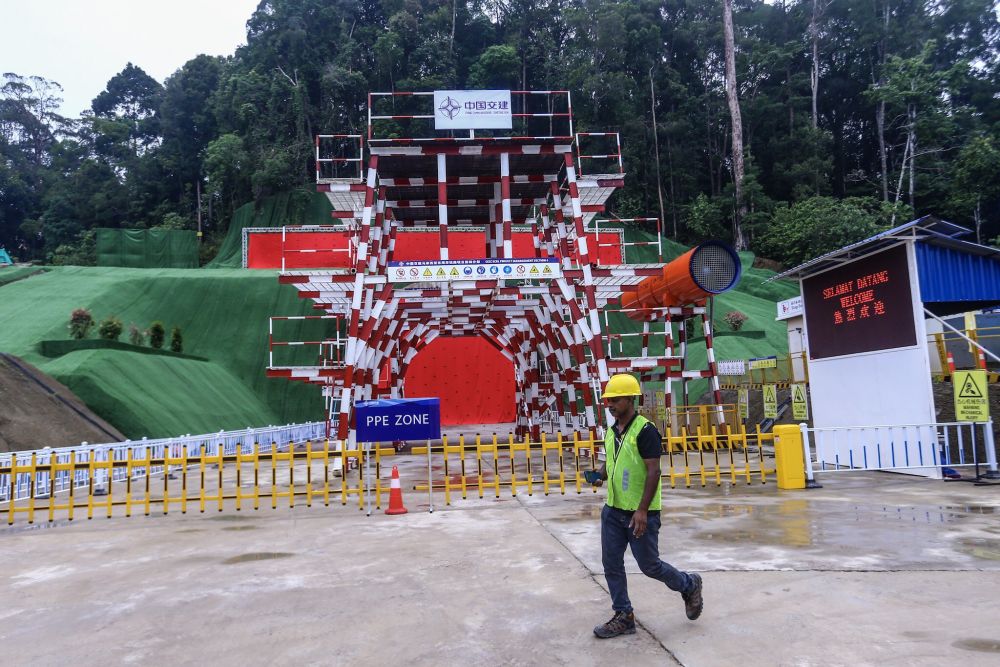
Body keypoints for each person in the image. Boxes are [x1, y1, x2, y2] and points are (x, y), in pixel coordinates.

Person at [588, 373, 703, 639]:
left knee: (650, 566)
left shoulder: (645, 431)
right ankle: (623, 615)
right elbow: (612, 461)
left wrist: (642, 511)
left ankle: (689, 584)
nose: (610, 405)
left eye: (615, 400)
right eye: (608, 400)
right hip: (613, 510)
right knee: (611, 564)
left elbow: (654, 471)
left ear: (630, 399)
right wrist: (599, 474)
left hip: (640, 513)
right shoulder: (612, 431)